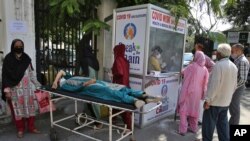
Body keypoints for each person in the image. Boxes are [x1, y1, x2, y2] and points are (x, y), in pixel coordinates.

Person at [52, 70, 162, 108]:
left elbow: (61, 71)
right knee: (109, 92)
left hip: (93, 82)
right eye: (59, 79)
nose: (60, 77)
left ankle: (142, 95)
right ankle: (133, 100)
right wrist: (86, 83)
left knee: (116, 86)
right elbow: (75, 90)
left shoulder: (67, 77)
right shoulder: (64, 86)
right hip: (88, 87)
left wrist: (54, 81)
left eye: (59, 79)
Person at [2, 39, 42, 138]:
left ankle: (31, 127)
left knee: (30, 109)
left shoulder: (26, 58)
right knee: (18, 111)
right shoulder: (8, 59)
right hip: (15, 91)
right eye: (17, 45)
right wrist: (7, 90)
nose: (19, 47)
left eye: (21, 45)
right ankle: (20, 129)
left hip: (27, 91)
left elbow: (32, 74)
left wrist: (38, 85)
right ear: (13, 46)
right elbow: (5, 76)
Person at [202, 43, 238, 141]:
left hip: (214, 102)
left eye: (217, 52)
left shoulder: (218, 65)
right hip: (225, 102)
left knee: (208, 126)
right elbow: (235, 86)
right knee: (223, 126)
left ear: (219, 54)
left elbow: (214, 85)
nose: (216, 54)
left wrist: (208, 100)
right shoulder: (233, 66)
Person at [177, 51, 209, 136]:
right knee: (194, 110)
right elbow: (206, 82)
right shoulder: (205, 69)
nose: (194, 57)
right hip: (198, 93)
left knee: (184, 110)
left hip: (188, 92)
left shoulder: (192, 66)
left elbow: (183, 72)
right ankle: (193, 128)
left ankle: (183, 130)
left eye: (195, 56)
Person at [111, 44, 131, 131]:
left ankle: (129, 127)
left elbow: (120, 73)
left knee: (123, 107)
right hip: (126, 85)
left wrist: (112, 74)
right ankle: (113, 119)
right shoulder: (125, 60)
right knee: (115, 103)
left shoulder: (117, 60)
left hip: (119, 86)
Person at [229, 43, 250, 125]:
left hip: (238, 87)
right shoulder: (238, 60)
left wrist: (233, 87)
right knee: (233, 107)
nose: (231, 53)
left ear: (238, 50)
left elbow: (242, 79)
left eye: (232, 51)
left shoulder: (242, 61)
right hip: (236, 87)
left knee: (234, 108)